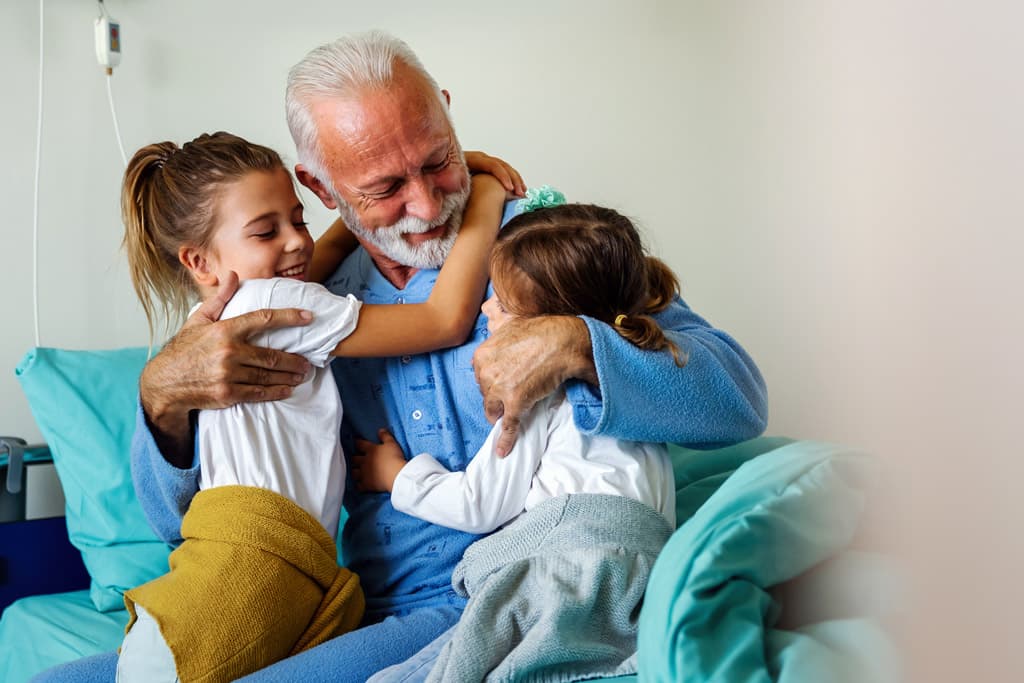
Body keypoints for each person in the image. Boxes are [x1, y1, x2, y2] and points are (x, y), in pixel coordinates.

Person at [33, 30, 767, 683]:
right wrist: (161, 398)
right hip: (368, 610)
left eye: (440, 162)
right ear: (319, 187)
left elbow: (736, 396)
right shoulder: (293, 294)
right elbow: (175, 525)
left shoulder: (550, 246)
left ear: (448, 113)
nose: (425, 203)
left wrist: (580, 343)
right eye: (384, 187)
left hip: (520, 586)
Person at [113, 131, 511, 683]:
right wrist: (484, 194)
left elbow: (319, 254)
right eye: (266, 231)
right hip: (257, 565)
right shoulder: (279, 301)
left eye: (298, 220)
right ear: (200, 260)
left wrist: (403, 189)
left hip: (232, 562)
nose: (298, 242)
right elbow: (444, 319)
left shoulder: (211, 321)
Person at [355, 202, 683, 681]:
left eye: (502, 305)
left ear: (548, 325)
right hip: (643, 586)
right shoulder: (639, 382)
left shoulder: (538, 391)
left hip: (564, 574)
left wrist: (396, 476)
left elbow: (479, 504)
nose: (486, 309)